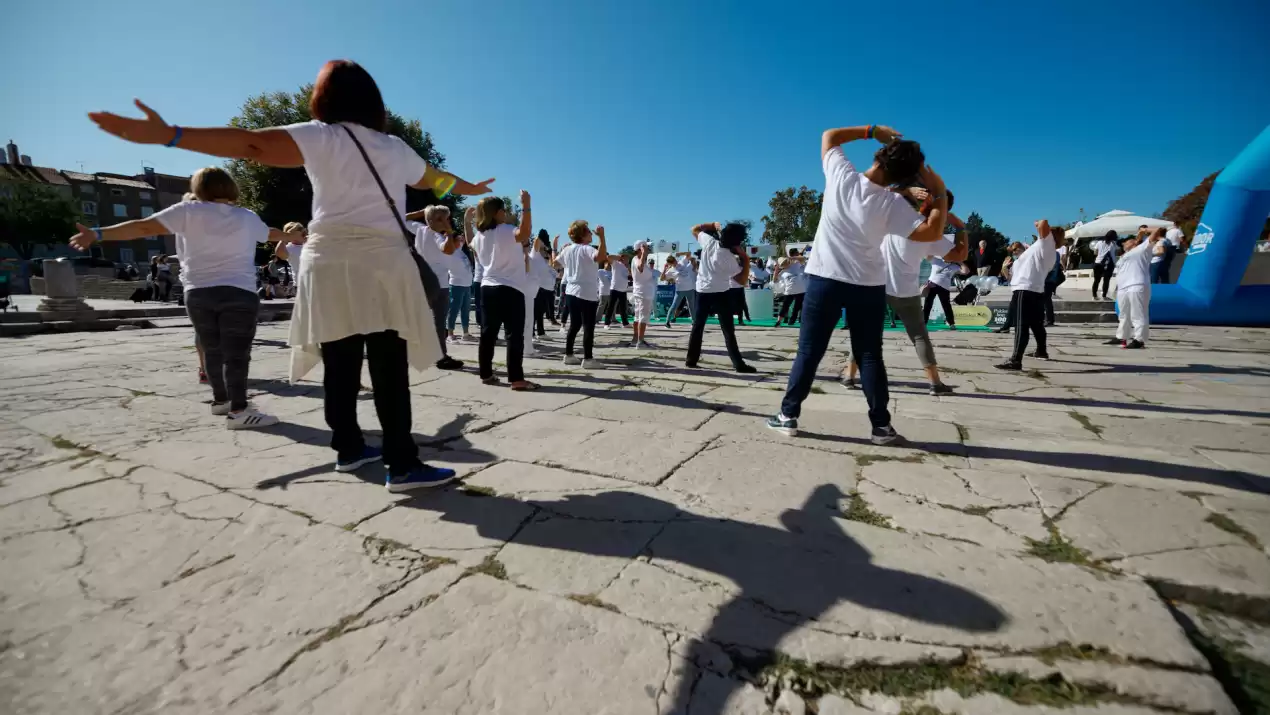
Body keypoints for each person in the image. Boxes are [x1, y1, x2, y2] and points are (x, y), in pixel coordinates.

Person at [87, 60, 497, 489]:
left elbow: (250, 145)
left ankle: (349, 449)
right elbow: (436, 182)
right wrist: (469, 188)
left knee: (340, 362)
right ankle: (402, 463)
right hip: (381, 261)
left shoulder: (321, 136)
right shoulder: (394, 147)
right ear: (373, 101)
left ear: (324, 98)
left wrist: (172, 135)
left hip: (328, 260)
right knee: (387, 364)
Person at [67, 169, 302, 428]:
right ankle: (239, 411)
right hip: (239, 291)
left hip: (198, 292)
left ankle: (221, 401)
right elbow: (268, 233)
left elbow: (142, 227)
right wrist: (289, 236)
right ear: (230, 187)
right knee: (236, 354)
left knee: (212, 349)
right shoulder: (245, 216)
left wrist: (97, 233)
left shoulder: (185, 211)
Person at [766, 124, 949, 444]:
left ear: (879, 155)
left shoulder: (842, 177)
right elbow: (933, 233)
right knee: (869, 355)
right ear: (903, 178)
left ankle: (788, 415)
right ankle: (881, 426)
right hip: (868, 284)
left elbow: (829, 137)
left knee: (809, 351)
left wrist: (871, 130)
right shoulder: (893, 206)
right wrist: (939, 191)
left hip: (825, 278)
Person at [844, 185, 964, 395]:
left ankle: (849, 375)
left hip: (878, 286)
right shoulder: (931, 234)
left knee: (865, 333)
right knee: (919, 336)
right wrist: (961, 227)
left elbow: (877, 193)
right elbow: (960, 255)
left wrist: (906, 190)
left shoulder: (895, 216)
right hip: (907, 291)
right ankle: (935, 383)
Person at [471, 193, 539, 390]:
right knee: (513, 334)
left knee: (487, 333)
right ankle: (516, 379)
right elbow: (525, 233)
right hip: (511, 287)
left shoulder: (479, 237)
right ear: (499, 212)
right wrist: (526, 206)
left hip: (487, 287)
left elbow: (474, 249)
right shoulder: (507, 230)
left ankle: (486, 373)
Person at [685, 222, 756, 373]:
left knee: (698, 327)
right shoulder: (729, 258)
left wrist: (712, 225)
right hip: (721, 293)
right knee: (728, 330)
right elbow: (742, 281)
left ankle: (691, 360)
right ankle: (738, 364)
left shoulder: (709, 242)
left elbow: (694, 229)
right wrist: (745, 258)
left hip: (702, 291)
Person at [405, 205, 464, 370]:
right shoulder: (437, 236)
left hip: (422, 281)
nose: (445, 221)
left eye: (447, 218)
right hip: (439, 285)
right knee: (438, 321)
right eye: (441, 218)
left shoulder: (420, 228)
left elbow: (402, 218)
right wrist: (450, 232)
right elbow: (448, 250)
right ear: (431, 220)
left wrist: (421, 212)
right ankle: (441, 357)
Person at [995, 223, 1061, 370]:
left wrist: (1038, 224)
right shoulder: (1042, 251)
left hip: (1025, 290)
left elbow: (1042, 223)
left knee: (1021, 325)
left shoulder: (1046, 244)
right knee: (1036, 324)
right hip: (1034, 290)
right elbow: (1013, 277)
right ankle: (1041, 351)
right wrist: (1005, 268)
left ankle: (1016, 360)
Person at [552, 221, 608, 367]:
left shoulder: (568, 250)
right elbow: (601, 257)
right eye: (588, 231)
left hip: (571, 290)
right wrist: (602, 237)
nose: (591, 234)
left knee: (574, 325)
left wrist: (555, 248)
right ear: (583, 235)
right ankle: (588, 359)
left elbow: (555, 264)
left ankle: (568, 354)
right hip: (586, 291)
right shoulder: (587, 249)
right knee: (588, 326)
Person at [1107, 228, 1163, 349]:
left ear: (1135, 243)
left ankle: (1139, 339)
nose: (1126, 243)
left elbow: (1157, 231)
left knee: (1138, 314)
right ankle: (1122, 336)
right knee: (1123, 314)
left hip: (1137, 285)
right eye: (1125, 242)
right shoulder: (1123, 256)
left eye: (1129, 241)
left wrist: (1144, 230)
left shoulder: (1143, 249)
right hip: (1123, 287)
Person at [445, 220, 475, 343]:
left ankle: (466, 333)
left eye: (463, 240)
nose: (462, 241)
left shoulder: (462, 253)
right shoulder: (451, 253)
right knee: (454, 310)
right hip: (456, 285)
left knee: (465, 311)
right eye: (460, 239)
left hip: (467, 285)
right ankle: (450, 334)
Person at [629, 240, 658, 348]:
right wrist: (643, 252)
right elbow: (640, 268)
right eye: (646, 248)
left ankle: (635, 339)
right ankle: (640, 342)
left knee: (637, 317)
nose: (648, 249)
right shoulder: (637, 259)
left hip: (641, 292)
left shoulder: (638, 260)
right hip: (643, 293)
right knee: (643, 317)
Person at [530, 231, 557, 338]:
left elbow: (553, 265)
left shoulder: (544, 260)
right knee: (533, 313)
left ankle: (541, 332)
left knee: (540, 312)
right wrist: (546, 244)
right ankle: (530, 333)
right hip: (535, 287)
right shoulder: (535, 253)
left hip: (545, 289)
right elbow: (537, 240)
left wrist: (550, 252)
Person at [923, 252, 960, 330]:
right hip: (932, 285)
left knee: (946, 305)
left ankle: (951, 323)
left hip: (944, 287)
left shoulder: (954, 266)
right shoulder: (936, 260)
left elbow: (966, 271)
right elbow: (926, 256)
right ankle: (923, 323)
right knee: (927, 304)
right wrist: (936, 250)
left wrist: (959, 261)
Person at [772, 251, 807, 327]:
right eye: (783, 264)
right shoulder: (782, 272)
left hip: (801, 290)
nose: (785, 264)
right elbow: (775, 280)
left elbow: (803, 258)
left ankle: (792, 321)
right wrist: (776, 271)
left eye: (785, 262)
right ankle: (778, 321)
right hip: (789, 291)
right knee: (785, 306)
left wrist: (791, 257)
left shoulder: (796, 265)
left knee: (797, 307)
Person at [662, 253, 697, 327]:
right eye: (673, 262)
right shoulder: (671, 271)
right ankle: (667, 322)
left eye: (675, 260)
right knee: (674, 306)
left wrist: (680, 253)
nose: (675, 262)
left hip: (690, 289)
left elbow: (689, 254)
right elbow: (662, 278)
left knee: (691, 306)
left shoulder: (682, 262)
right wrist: (664, 269)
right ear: (670, 264)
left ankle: (694, 322)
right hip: (680, 290)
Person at [604, 254, 630, 328]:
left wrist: (628, 268)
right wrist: (620, 256)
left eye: (628, 259)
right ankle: (606, 324)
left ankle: (625, 323)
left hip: (623, 289)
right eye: (626, 258)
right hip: (614, 288)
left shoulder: (626, 267)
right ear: (622, 258)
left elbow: (629, 276)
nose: (627, 260)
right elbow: (608, 257)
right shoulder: (616, 263)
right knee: (610, 307)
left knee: (623, 308)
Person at [1092, 230, 1118, 300]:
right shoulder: (1114, 244)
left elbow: (1095, 252)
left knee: (1096, 280)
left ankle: (1094, 296)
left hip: (1098, 262)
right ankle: (1104, 295)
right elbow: (1116, 252)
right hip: (1110, 264)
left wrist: (1101, 254)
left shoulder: (1099, 242)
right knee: (1106, 280)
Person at [728, 252, 751, 325]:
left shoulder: (741, 268)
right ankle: (731, 320)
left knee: (742, 304)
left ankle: (741, 320)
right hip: (731, 288)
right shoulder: (730, 268)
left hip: (739, 288)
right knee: (731, 305)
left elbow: (744, 277)